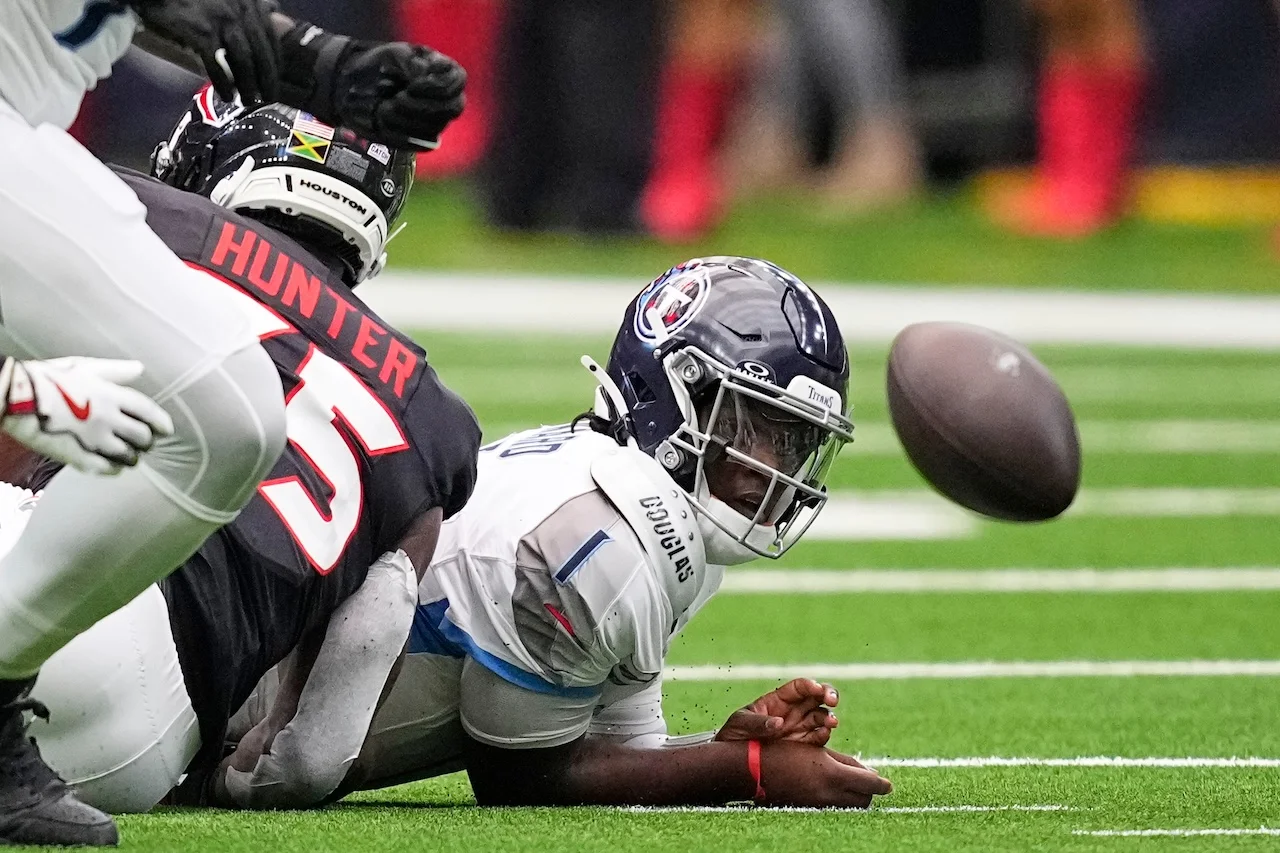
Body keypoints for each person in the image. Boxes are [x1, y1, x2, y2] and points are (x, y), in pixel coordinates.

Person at [0, 1, 466, 844]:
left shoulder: (149, 212)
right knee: (225, 416)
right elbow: (323, 735)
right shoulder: (429, 412)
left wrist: (304, 60)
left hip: (35, 603)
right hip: (141, 747)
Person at [224, 258, 893, 809]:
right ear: (674, 394)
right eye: (754, 427)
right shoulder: (604, 532)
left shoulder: (647, 511)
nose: (775, 467)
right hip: (229, 702)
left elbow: (616, 756)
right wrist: (746, 770)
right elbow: (522, 777)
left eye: (795, 440)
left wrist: (724, 748)